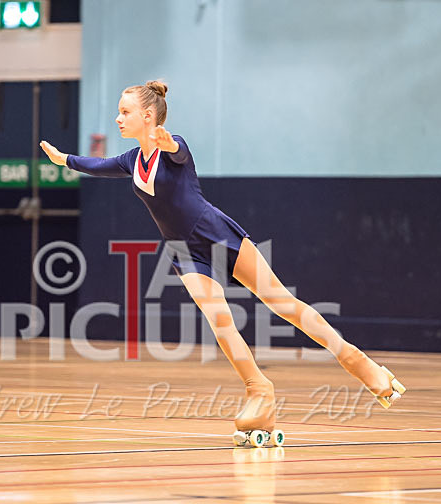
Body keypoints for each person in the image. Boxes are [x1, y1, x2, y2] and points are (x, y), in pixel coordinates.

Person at [40, 80, 404, 443]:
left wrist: (166, 143)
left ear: (148, 115)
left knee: (281, 302)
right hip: (183, 250)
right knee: (219, 319)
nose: (118, 118)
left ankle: (357, 361)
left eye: (125, 112)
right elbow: (99, 164)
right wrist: (64, 160)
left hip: (213, 231)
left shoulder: (175, 145)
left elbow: (177, 152)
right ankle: (258, 389)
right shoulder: (132, 160)